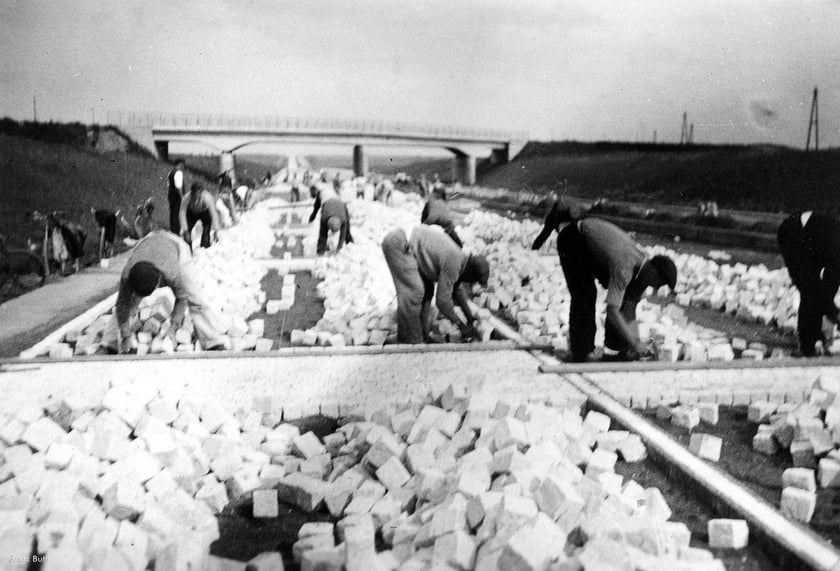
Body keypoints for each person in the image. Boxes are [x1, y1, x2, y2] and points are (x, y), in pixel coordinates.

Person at [533, 211, 677, 362]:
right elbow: (612, 310)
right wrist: (634, 344)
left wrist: (635, 342)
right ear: (654, 272)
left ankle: (621, 349)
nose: (655, 288)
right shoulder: (625, 266)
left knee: (625, 300)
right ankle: (581, 353)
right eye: (658, 284)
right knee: (585, 294)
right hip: (573, 239)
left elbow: (629, 308)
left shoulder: (643, 272)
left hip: (596, 248)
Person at [103, 230, 226, 353]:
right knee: (127, 303)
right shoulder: (127, 274)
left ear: (159, 282)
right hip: (147, 242)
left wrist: (173, 327)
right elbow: (122, 303)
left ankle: (212, 341)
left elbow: (182, 298)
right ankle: (109, 343)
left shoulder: (172, 273)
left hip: (176, 245)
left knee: (194, 297)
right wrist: (125, 335)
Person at [382, 225, 489, 344]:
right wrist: (461, 325)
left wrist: (469, 317)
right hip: (399, 245)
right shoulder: (455, 262)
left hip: (409, 249)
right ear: (470, 273)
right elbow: (442, 301)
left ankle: (423, 336)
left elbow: (456, 291)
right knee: (415, 291)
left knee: (428, 289)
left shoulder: (461, 261)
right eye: (471, 281)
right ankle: (410, 341)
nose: (468, 283)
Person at [777, 211, 840, 357]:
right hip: (792, 233)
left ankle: (815, 337)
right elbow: (815, 291)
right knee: (809, 288)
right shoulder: (834, 245)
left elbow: (828, 288)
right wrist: (836, 314)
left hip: (812, 242)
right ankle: (807, 346)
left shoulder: (834, 254)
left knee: (819, 289)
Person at [179, 182, 219, 250]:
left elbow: (214, 214)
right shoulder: (186, 198)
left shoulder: (207, 198)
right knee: (187, 238)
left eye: (198, 196)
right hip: (192, 213)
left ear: (202, 193)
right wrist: (186, 231)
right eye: (195, 197)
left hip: (205, 213)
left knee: (206, 237)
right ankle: (188, 252)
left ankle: (205, 249)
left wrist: (216, 230)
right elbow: (182, 213)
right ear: (191, 194)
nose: (196, 200)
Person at [167, 160, 186, 235]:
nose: (183, 167)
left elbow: (168, 185)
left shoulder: (170, 172)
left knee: (172, 213)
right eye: (183, 165)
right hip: (177, 196)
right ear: (180, 164)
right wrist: (182, 197)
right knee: (177, 213)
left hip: (171, 195)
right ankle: (176, 231)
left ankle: (172, 230)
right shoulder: (179, 173)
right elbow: (179, 187)